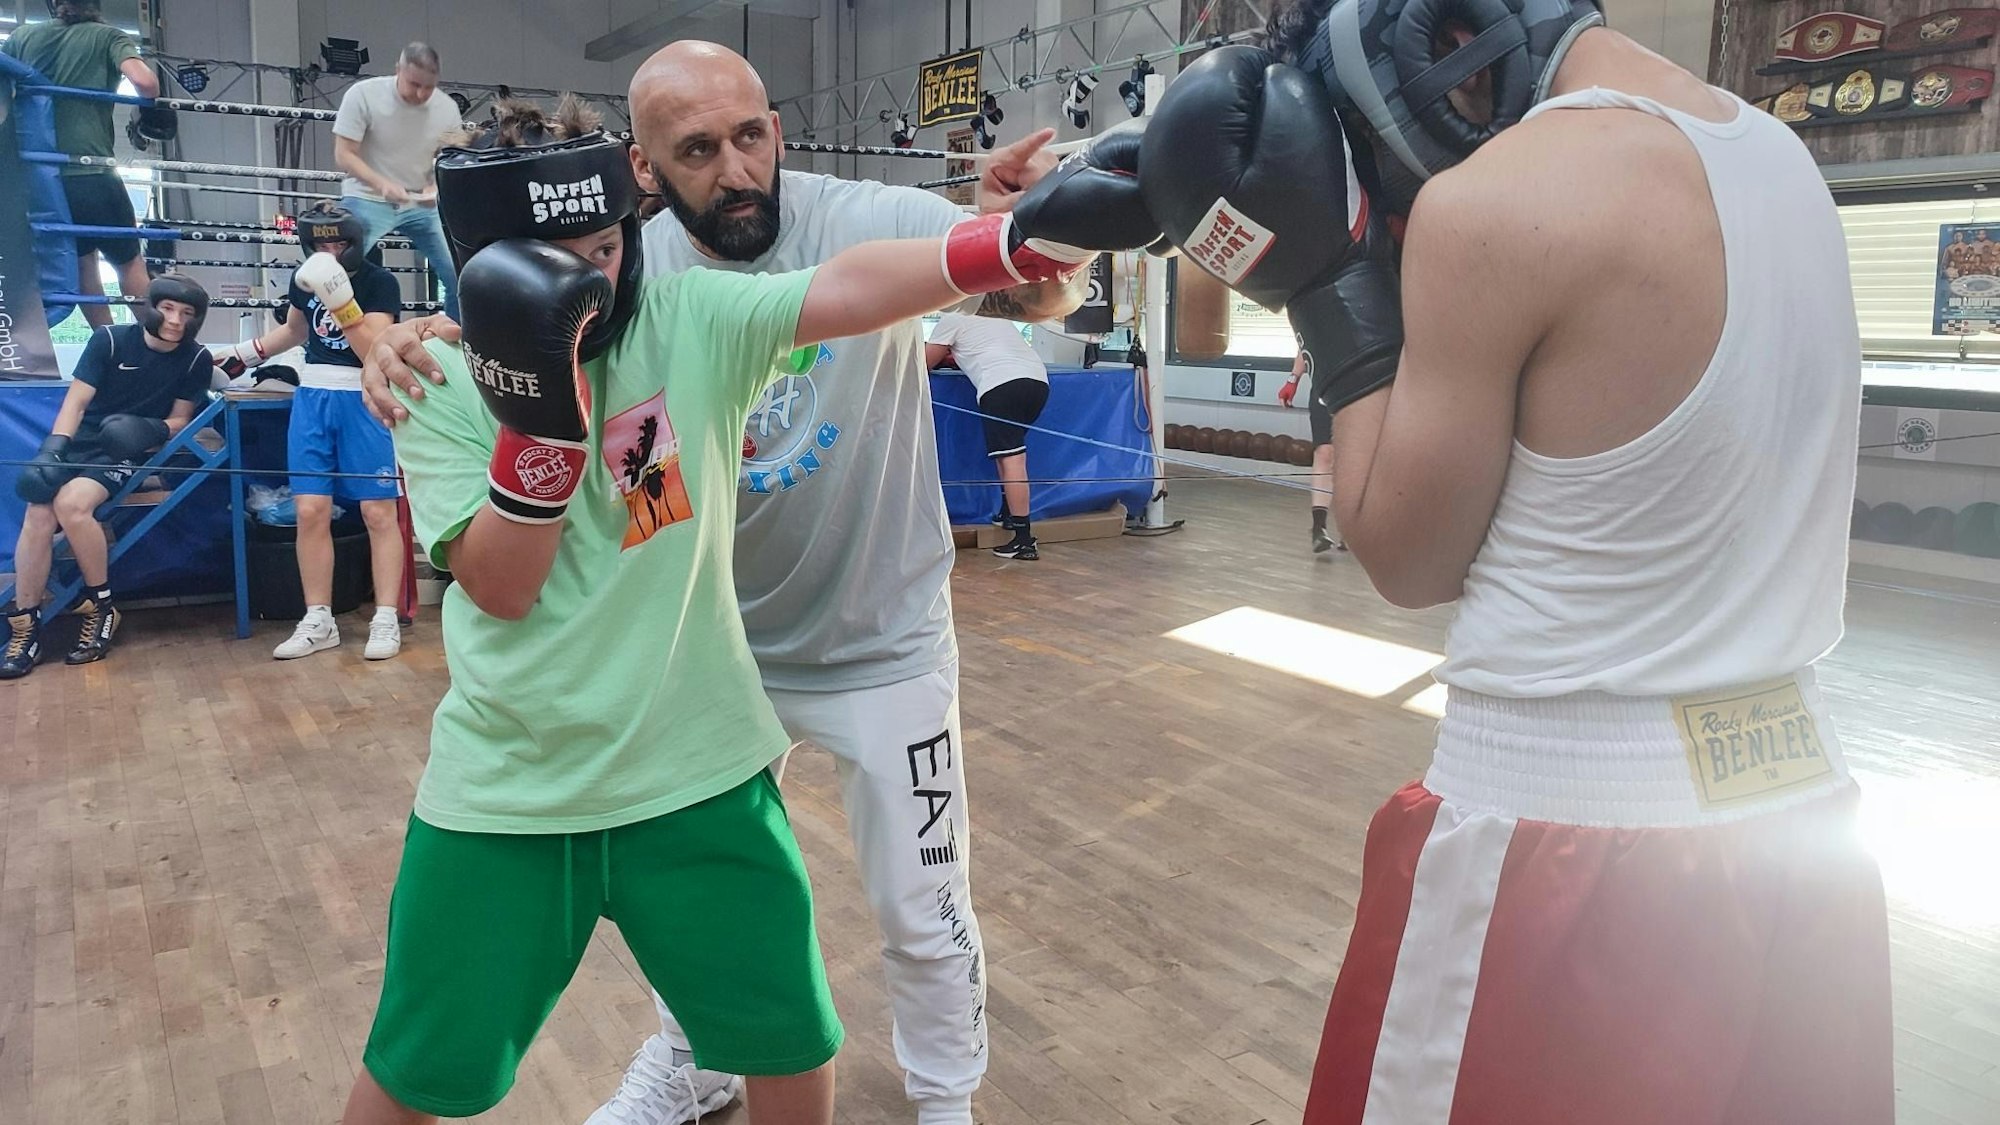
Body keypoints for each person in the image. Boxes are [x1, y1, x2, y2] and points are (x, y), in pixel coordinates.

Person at [1057, 0, 1888, 1119]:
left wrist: (1322, 283)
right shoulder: (1776, 156)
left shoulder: (1492, 206)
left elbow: (1405, 556)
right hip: (1800, 827)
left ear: (1432, 42)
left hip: (1565, 848)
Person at [340, 86, 1120, 1125]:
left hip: (700, 765)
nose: (588, 279)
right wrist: (538, 418)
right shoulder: (433, 378)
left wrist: (1019, 238)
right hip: (509, 788)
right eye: (552, 258)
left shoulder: (685, 315)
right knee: (412, 1078)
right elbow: (500, 586)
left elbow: (843, 289)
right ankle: (680, 1062)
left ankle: (941, 1095)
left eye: (605, 247)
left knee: (790, 1048)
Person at [211, 202, 407, 661]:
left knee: (378, 513)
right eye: (322, 244)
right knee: (310, 510)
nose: (331, 251)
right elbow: (295, 333)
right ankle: (319, 619)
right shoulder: (305, 279)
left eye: (339, 242)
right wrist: (239, 354)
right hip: (313, 398)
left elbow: (372, 351)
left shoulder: (380, 282)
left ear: (356, 241)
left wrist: (340, 296)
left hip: (362, 398)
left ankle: (385, 617)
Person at [3, 275, 212, 677]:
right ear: (150, 306)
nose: (175, 320)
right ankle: (25, 623)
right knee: (38, 509)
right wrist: (55, 447)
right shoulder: (110, 341)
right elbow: (77, 401)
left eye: (186, 313)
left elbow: (180, 418)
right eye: (168, 308)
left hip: (129, 448)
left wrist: (149, 430)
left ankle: (100, 605)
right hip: (82, 440)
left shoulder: (195, 359)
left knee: (72, 504)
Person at [4, 0, 160, 328]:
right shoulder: (108, 36)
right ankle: (161, 344)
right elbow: (145, 82)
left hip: (44, 180)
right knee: (129, 263)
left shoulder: (23, 37)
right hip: (94, 172)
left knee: (84, 265)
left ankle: (108, 346)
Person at [331, 43, 464, 318]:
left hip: (422, 205)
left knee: (459, 273)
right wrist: (381, 184)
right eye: (414, 84)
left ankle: (455, 343)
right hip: (366, 197)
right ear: (397, 71)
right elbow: (344, 155)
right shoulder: (364, 95)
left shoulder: (447, 108)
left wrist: (436, 187)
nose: (420, 94)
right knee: (343, 272)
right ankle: (341, 342)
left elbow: (450, 161)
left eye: (428, 87)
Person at [925, 312, 1050, 559]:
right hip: (1038, 383)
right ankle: (1009, 514)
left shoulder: (953, 318)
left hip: (1001, 386)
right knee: (1009, 453)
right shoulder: (995, 316)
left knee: (1011, 459)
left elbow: (924, 362)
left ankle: (1024, 541)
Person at [1276, 349, 1343, 553]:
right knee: (1325, 452)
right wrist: (1293, 379)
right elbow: (1306, 343)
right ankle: (1318, 528)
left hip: (1362, 381)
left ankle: (1352, 526)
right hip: (1326, 383)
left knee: (1356, 456)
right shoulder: (1323, 317)